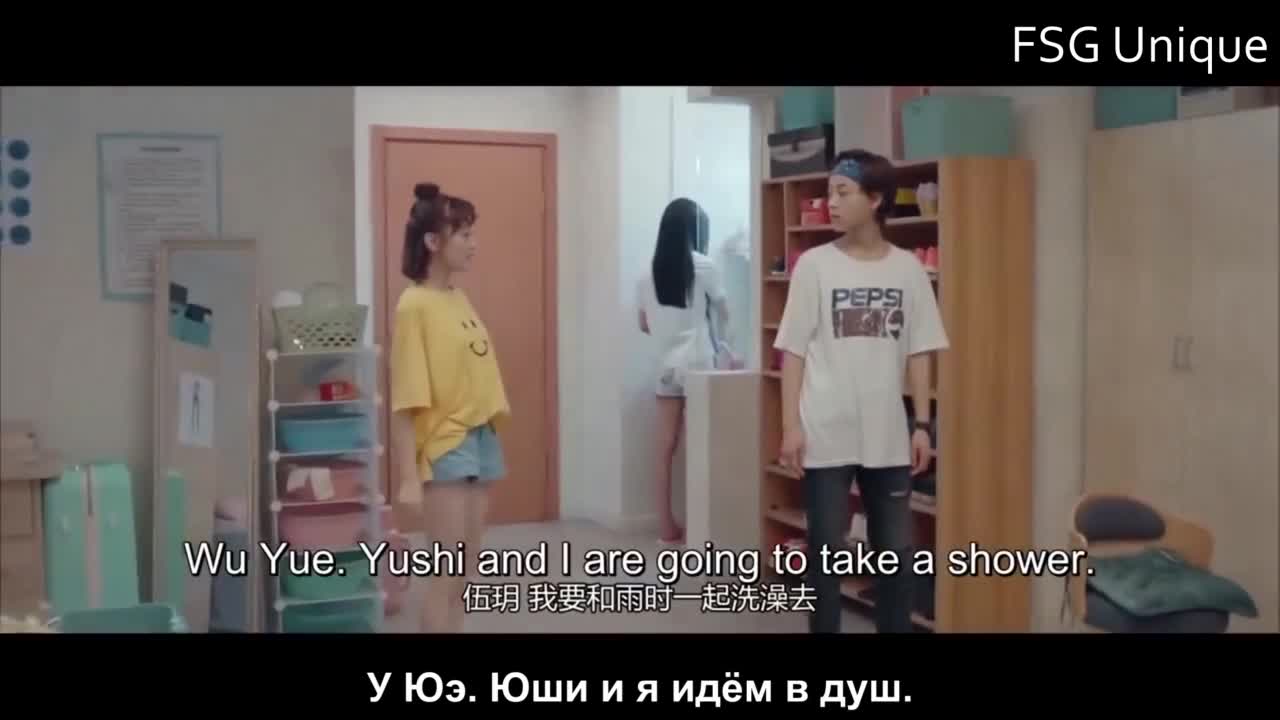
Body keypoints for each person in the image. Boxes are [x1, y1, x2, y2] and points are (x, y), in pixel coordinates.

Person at [773, 149, 948, 634]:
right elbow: (793, 352)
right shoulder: (814, 266)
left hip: (887, 435)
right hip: (824, 432)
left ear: (875, 199)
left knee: (896, 558)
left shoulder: (907, 270)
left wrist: (922, 425)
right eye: (829, 192)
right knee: (825, 559)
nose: (830, 202)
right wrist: (790, 426)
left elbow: (920, 351)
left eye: (842, 192)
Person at [389, 182, 510, 633]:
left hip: (480, 437)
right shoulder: (413, 306)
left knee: (465, 574)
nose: (473, 244)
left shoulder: (457, 297)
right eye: (464, 234)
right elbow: (405, 400)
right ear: (432, 242)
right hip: (445, 445)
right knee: (445, 575)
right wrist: (408, 477)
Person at [636, 198, 732, 545]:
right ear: (695, 230)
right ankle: (700, 528)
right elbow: (725, 312)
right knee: (702, 448)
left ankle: (666, 528)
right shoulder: (704, 266)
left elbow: (644, 323)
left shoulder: (648, 272)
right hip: (699, 364)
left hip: (666, 367)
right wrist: (725, 345)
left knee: (664, 450)